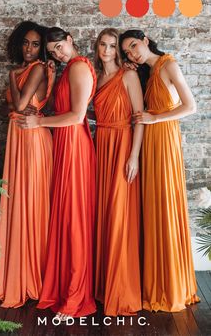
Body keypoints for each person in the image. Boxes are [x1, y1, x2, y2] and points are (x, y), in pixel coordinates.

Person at [17, 27, 97, 320]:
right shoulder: (68, 69)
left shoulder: (78, 67)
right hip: (65, 144)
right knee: (64, 218)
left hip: (75, 146)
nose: (58, 53)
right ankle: (65, 288)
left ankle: (75, 298)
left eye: (60, 47)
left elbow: (77, 116)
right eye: (52, 51)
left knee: (73, 220)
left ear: (70, 41)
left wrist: (39, 123)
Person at [119, 29, 200, 312]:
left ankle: (171, 285)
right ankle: (156, 281)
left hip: (164, 143)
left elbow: (190, 107)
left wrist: (155, 119)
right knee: (153, 208)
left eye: (134, 45)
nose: (132, 53)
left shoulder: (168, 64)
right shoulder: (148, 73)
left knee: (164, 206)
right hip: (151, 144)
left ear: (146, 40)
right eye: (127, 52)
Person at [0, 21, 54, 308]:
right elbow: (10, 108)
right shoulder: (24, 70)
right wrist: (15, 97)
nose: (29, 49)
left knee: (31, 203)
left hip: (31, 139)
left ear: (42, 48)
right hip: (20, 136)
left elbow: (18, 106)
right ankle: (20, 267)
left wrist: (13, 80)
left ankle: (34, 272)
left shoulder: (37, 68)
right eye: (26, 43)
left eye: (35, 44)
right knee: (19, 203)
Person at [92, 28, 144, 316]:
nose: (107, 50)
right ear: (97, 46)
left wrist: (134, 156)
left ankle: (120, 287)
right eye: (104, 44)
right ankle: (103, 287)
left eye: (113, 46)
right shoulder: (96, 77)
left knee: (119, 215)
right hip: (101, 147)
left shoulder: (129, 75)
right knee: (104, 214)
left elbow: (139, 119)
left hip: (123, 146)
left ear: (119, 51)